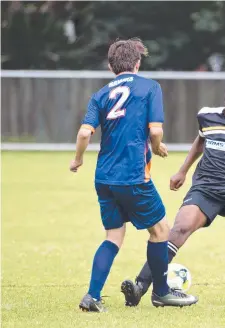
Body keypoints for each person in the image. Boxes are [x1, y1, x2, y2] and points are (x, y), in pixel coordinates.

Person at [121, 73, 225, 307]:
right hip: (206, 189)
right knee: (178, 229)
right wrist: (182, 171)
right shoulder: (207, 116)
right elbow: (200, 139)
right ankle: (140, 287)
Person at [69, 38, 198, 312]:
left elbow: (83, 133)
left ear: (110, 66)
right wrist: (156, 146)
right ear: (137, 63)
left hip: (104, 177)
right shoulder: (150, 87)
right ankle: (161, 292)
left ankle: (92, 296)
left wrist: (77, 159)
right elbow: (155, 131)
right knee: (161, 230)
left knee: (113, 236)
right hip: (134, 176)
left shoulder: (100, 94)